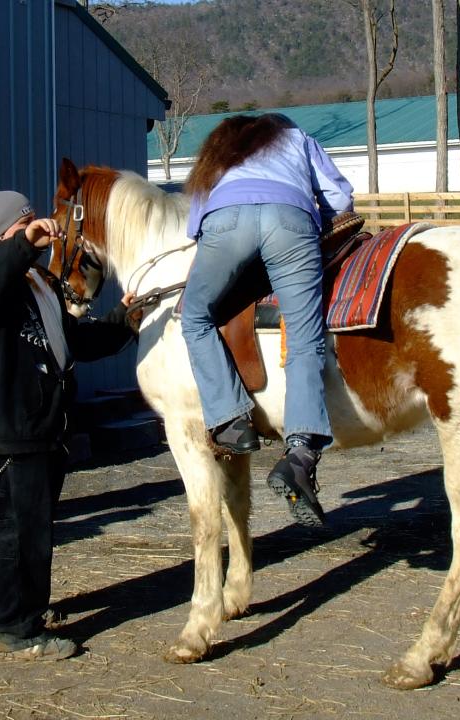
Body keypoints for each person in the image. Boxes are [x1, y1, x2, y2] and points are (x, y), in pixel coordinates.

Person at [0, 190, 137, 660]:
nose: (36, 229)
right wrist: (26, 243)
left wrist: (126, 319)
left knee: (8, 526)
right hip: (15, 425)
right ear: (6, 233)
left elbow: (75, 339)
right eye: (23, 225)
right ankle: (20, 626)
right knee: (27, 534)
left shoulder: (38, 284)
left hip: (44, 427)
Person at [181, 113, 354, 527]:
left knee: (195, 316)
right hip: (290, 221)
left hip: (227, 222)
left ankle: (230, 420)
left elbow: (194, 222)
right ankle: (299, 451)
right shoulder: (297, 137)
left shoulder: (222, 147)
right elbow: (339, 197)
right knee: (304, 335)